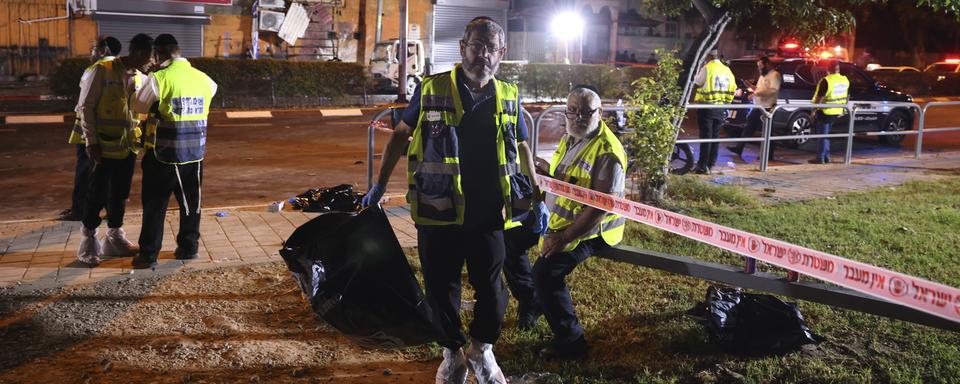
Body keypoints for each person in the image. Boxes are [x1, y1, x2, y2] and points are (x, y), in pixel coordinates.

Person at [360, 17, 545, 384]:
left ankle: (481, 350)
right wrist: (379, 184)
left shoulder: (509, 94)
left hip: (489, 213)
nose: (484, 54)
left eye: (491, 48)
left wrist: (537, 194)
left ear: (502, 53)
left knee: (493, 291)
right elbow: (400, 135)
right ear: (463, 47)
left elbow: (522, 145)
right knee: (441, 289)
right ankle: (451, 354)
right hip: (437, 210)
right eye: (477, 45)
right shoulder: (432, 88)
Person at [533, 86, 626, 360]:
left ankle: (572, 342)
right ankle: (534, 305)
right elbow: (570, 182)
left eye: (586, 112)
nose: (578, 117)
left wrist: (564, 238)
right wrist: (546, 175)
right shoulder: (571, 137)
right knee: (510, 239)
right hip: (564, 222)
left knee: (546, 273)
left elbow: (600, 208)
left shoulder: (607, 151)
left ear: (600, 113)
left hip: (593, 231)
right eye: (572, 111)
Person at [132, 34, 218, 269]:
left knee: (155, 206)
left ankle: (148, 255)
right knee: (191, 204)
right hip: (194, 156)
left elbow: (137, 105)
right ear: (178, 51)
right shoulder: (204, 79)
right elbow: (212, 91)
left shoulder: (159, 78)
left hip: (164, 156)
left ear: (158, 54)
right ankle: (189, 248)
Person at [73, 34, 154, 265]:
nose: (151, 61)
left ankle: (114, 238)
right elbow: (85, 106)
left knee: (120, 194)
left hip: (127, 147)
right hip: (102, 147)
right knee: (96, 194)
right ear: (138, 52)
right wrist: (91, 142)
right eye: (149, 56)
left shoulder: (141, 77)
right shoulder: (102, 69)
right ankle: (88, 242)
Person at [61, 36, 122, 222]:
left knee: (85, 173)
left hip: (90, 133)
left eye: (93, 48)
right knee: (110, 174)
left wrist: (89, 138)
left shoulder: (94, 70)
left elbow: (84, 105)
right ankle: (110, 209)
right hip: (114, 135)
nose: (91, 52)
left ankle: (79, 209)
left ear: (103, 51)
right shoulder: (124, 70)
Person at [728, 56, 781, 161]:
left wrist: (756, 93)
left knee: (767, 132)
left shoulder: (775, 75)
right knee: (748, 128)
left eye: (761, 66)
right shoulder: (762, 76)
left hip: (768, 107)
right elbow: (759, 89)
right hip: (758, 106)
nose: (759, 69)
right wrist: (751, 88)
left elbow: (772, 91)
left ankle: (768, 155)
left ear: (767, 64)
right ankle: (739, 148)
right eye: (758, 67)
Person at [692, 49, 736, 174]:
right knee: (715, 137)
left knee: (706, 137)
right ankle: (711, 164)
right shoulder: (727, 70)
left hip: (707, 107)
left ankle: (702, 165)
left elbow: (697, 82)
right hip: (721, 107)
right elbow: (733, 87)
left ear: (708, 56)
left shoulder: (707, 68)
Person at [809, 60, 849, 164]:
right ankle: (827, 157)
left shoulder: (826, 80)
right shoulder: (845, 80)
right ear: (838, 68)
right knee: (825, 135)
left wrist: (813, 111)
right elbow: (847, 96)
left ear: (828, 69)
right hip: (837, 111)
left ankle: (820, 158)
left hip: (825, 111)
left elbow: (819, 98)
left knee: (822, 135)